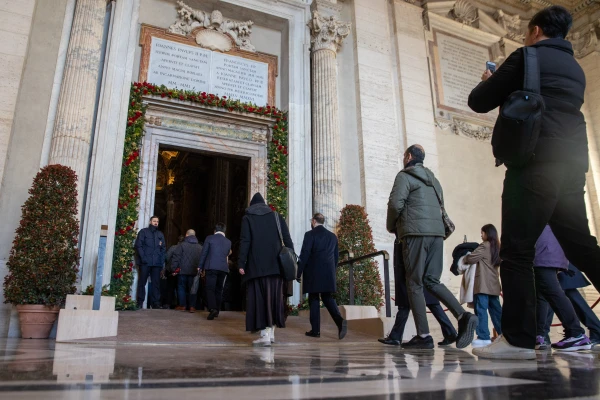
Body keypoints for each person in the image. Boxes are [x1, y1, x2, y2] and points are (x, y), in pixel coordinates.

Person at [468, 5, 600, 359]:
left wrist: (488, 81)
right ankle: (523, 338)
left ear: (537, 30)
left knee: (517, 251)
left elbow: (478, 101)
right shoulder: (575, 69)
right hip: (571, 165)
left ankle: (519, 341)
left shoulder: (527, 57)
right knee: (582, 247)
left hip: (535, 163)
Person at [386, 144, 478, 350]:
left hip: (415, 234)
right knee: (432, 280)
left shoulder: (404, 176)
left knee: (414, 283)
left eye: (404, 156)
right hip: (437, 235)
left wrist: (391, 226)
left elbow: (395, 204)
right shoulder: (434, 180)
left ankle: (424, 335)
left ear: (409, 156)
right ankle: (463, 315)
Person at [379, 238, 458, 347]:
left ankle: (398, 337)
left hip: (412, 272)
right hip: (418, 270)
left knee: (407, 304)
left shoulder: (408, 235)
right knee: (430, 303)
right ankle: (449, 332)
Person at [238, 193, 294, 346]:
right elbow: (288, 240)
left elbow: (245, 242)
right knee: (274, 299)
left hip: (256, 268)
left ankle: (265, 334)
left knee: (260, 300)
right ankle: (270, 334)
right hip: (276, 267)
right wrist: (291, 260)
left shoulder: (248, 218)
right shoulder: (276, 216)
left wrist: (241, 263)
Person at [533, 226, 591, 351]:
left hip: (543, 253)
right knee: (543, 296)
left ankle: (576, 333)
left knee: (553, 293)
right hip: (547, 252)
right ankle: (539, 335)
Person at [297, 213, 347, 340]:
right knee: (327, 297)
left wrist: (298, 272)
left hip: (313, 272)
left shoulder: (309, 235)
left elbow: (304, 254)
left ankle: (315, 331)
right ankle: (340, 321)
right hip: (328, 273)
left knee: (314, 298)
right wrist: (331, 272)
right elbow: (336, 258)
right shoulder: (332, 236)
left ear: (313, 221)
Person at [540, 263, 600, 349]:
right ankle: (596, 330)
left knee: (554, 294)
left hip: (554, 262)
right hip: (556, 261)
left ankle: (543, 334)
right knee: (561, 295)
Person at [464, 224, 503, 347]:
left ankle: (483, 337)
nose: (481, 235)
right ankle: (504, 335)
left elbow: (471, 259)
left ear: (488, 233)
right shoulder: (497, 246)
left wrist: (466, 255)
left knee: (481, 310)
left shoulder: (485, 245)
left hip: (483, 285)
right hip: (494, 285)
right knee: (496, 311)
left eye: (482, 233)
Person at [199, 222, 232, 320]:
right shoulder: (228, 242)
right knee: (219, 289)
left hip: (211, 266)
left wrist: (200, 266)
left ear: (215, 230)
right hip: (223, 268)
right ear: (224, 230)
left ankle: (212, 308)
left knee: (210, 289)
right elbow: (226, 254)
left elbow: (204, 253)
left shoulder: (210, 238)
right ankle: (217, 310)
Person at [135, 216, 166, 309]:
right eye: (154, 221)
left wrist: (161, 262)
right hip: (145, 263)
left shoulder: (160, 234)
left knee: (156, 283)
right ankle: (140, 302)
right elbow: (138, 245)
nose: (156, 223)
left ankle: (155, 303)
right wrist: (143, 258)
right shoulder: (143, 232)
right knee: (142, 282)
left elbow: (163, 249)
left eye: (157, 221)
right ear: (150, 222)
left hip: (156, 264)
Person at [171, 229, 203, 313]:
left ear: (186, 235)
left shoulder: (182, 245)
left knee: (181, 287)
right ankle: (192, 306)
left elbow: (176, 257)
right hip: (194, 271)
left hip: (182, 270)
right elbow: (202, 259)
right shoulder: (200, 247)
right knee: (193, 288)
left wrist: (174, 269)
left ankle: (183, 305)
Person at [161, 235, 184, 309]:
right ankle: (180, 304)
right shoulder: (185, 248)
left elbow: (167, 257)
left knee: (170, 288)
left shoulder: (173, 247)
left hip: (171, 270)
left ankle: (168, 303)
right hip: (182, 271)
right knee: (181, 288)